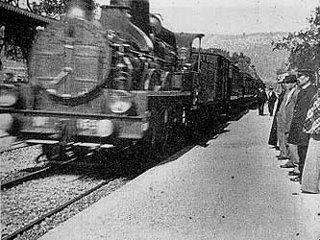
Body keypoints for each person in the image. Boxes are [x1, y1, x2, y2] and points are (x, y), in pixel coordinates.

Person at [286, 69, 317, 181]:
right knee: (301, 150)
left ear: (308, 77)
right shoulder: (303, 91)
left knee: (304, 151)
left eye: (301, 76)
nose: (298, 78)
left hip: (305, 127)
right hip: (298, 126)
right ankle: (301, 174)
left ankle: (304, 177)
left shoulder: (312, 91)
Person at [301, 89, 320, 193]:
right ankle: (311, 185)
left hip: (315, 129)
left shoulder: (317, 93)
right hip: (317, 129)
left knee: (313, 157)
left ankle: (310, 185)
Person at [276, 75, 298, 160]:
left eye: (288, 83)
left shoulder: (295, 92)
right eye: (285, 83)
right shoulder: (287, 92)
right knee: (282, 136)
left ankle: (290, 158)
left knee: (288, 138)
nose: (286, 84)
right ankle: (284, 153)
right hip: (282, 118)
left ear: (294, 83)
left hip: (288, 118)